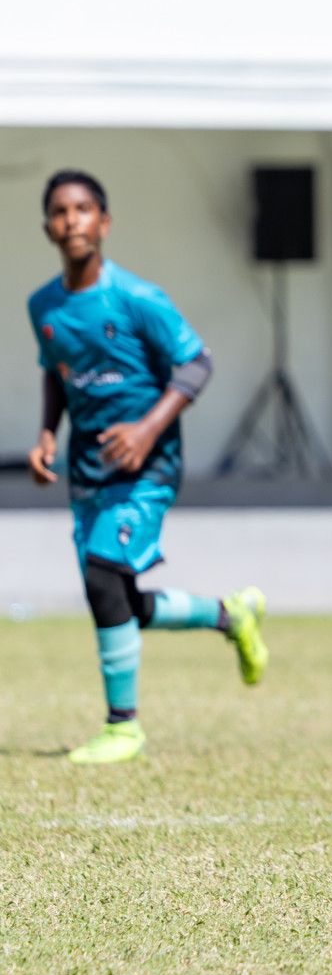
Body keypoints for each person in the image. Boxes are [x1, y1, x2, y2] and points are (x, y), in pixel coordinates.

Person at [26, 169, 270, 765]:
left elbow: (196, 364)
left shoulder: (138, 298)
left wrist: (146, 428)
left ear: (104, 223)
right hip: (88, 473)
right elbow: (57, 373)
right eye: (60, 211)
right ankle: (229, 614)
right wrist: (44, 435)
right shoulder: (44, 307)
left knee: (103, 577)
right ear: (47, 228)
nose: (72, 220)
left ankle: (123, 728)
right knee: (120, 603)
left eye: (83, 209)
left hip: (148, 468)